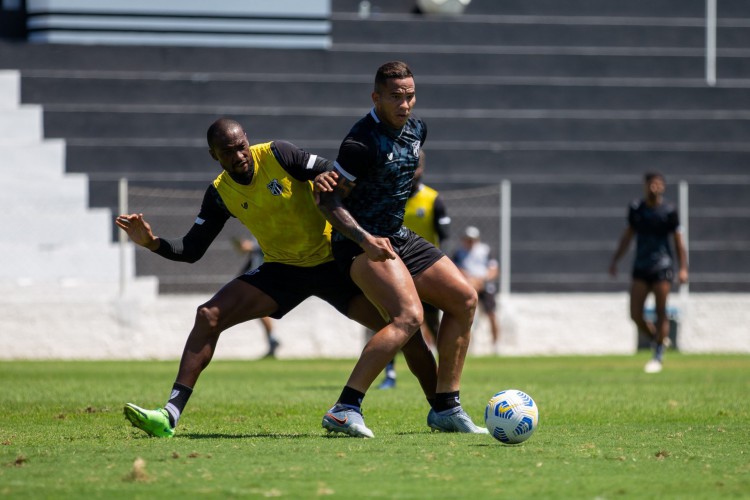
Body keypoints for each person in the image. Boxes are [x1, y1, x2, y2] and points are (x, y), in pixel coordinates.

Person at [116, 117, 438, 438]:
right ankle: (168, 415)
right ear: (215, 156)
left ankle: (442, 409)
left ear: (248, 140)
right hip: (283, 270)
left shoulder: (278, 154)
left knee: (402, 326)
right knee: (208, 315)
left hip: (332, 262)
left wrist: (326, 177)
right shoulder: (219, 193)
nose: (239, 155)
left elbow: (329, 169)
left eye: (241, 146)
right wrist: (152, 243)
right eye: (228, 152)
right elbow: (191, 250)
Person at [316, 61, 487, 436]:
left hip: (399, 236)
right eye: (395, 96)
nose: (404, 103)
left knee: (465, 299)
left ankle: (447, 407)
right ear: (376, 97)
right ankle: (344, 408)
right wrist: (363, 239)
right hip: (357, 244)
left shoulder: (417, 130)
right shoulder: (359, 143)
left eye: (409, 95)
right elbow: (328, 202)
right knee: (409, 318)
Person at [371, 151, 450, 389]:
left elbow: (444, 239)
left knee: (433, 325)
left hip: (425, 271)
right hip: (393, 271)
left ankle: (443, 375)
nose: (411, 171)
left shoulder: (433, 199)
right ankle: (390, 374)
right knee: (391, 321)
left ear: (422, 168)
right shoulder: (389, 198)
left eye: (416, 166)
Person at [609, 172, 688, 374]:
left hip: (662, 266)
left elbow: (678, 241)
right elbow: (627, 236)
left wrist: (683, 268)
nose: (655, 187)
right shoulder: (636, 209)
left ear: (663, 187)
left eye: (659, 184)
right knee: (635, 314)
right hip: (641, 266)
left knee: (662, 311)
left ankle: (658, 355)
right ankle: (658, 340)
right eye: (652, 184)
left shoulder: (669, 211)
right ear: (645, 186)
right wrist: (616, 259)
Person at [452, 226, 500, 350]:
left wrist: (481, 280)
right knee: (468, 316)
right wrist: (470, 280)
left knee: (492, 314)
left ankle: (496, 345)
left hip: (484, 285)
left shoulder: (485, 250)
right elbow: (456, 269)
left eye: (473, 239)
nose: (470, 242)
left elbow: (493, 269)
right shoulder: (458, 252)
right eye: (468, 239)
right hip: (468, 286)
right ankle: (468, 345)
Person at [231, 236, 279, 358]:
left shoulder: (266, 233)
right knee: (259, 311)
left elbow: (272, 246)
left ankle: (273, 340)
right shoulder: (256, 235)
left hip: (265, 278)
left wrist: (251, 247)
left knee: (260, 310)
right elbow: (250, 259)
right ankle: (272, 340)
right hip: (257, 278)